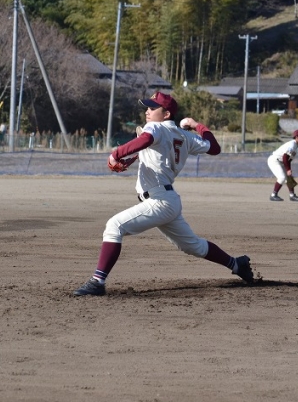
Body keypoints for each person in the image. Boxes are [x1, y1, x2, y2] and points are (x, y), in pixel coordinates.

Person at [73, 91, 255, 296]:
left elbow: (146, 139)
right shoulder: (185, 136)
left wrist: (116, 154)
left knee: (114, 226)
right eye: (147, 108)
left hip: (159, 200)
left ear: (166, 114)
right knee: (193, 246)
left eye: (152, 108)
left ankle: (97, 282)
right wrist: (196, 125)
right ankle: (237, 264)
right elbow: (214, 148)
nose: (147, 112)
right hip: (168, 201)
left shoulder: (155, 127)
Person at [267, 129, 298, 201]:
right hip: (274, 160)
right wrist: (288, 169)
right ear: (297, 137)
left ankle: (292, 195)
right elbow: (285, 157)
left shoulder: (297, 148)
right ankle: (273, 195)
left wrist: (289, 170)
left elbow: (289, 160)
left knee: (289, 177)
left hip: (281, 161)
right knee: (282, 177)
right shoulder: (292, 144)